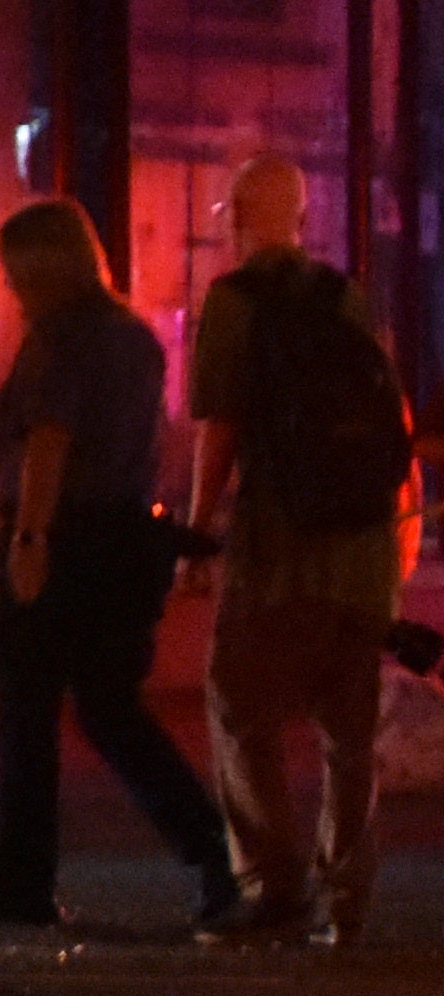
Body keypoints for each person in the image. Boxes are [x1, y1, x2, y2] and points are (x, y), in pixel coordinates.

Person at [0, 194, 240, 931]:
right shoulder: (133, 336)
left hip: (58, 546)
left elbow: (48, 441)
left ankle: (22, 880)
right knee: (112, 711)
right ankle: (216, 854)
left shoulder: (59, 339)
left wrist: (27, 540)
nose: (9, 288)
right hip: (122, 549)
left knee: (25, 717)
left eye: (15, 273)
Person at [187, 153, 422, 946]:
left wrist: (196, 533)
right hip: (360, 555)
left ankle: (273, 890)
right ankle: (347, 902)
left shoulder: (233, 302)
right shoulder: (345, 296)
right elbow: (388, 423)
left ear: (241, 217)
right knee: (349, 735)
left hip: (277, 550)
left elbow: (220, 427)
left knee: (239, 712)